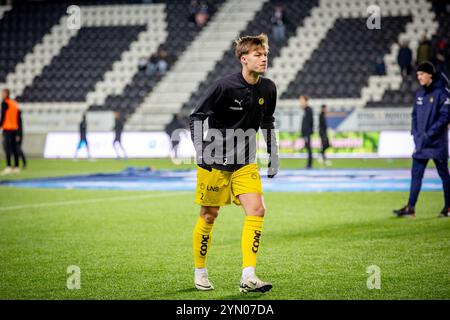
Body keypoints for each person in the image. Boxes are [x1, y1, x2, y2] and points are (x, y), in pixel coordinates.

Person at [189, 34, 278, 293]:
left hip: (245, 163)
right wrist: (200, 152)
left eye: (265, 55)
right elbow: (196, 117)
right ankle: (200, 271)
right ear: (244, 58)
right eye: (258, 55)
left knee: (257, 210)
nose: (263, 59)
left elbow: (267, 122)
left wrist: (274, 154)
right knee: (209, 215)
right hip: (215, 162)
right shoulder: (224, 87)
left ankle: (248, 276)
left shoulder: (269, 88)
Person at [393, 61, 450, 218]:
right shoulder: (419, 94)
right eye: (417, 75)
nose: (419, 77)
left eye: (421, 74)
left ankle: (448, 207)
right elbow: (414, 115)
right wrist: (415, 133)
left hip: (437, 144)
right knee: (416, 175)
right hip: (421, 144)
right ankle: (410, 207)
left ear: (430, 75)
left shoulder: (443, 93)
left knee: (444, 175)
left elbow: (445, 117)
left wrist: (429, 134)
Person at [1, 88, 21, 174]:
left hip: (7, 128)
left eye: (2, 93)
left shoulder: (5, 103)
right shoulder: (14, 103)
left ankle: (8, 166)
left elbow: (3, 116)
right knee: (15, 148)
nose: (1, 95)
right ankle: (16, 166)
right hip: (15, 128)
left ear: (6, 94)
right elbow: (18, 118)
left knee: (7, 148)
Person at [299, 95, 313, 169]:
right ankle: (309, 164)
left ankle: (309, 164)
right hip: (305, 133)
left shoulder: (308, 110)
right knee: (307, 147)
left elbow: (310, 122)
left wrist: (308, 132)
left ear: (305, 101)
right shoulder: (305, 110)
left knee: (308, 147)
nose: (300, 102)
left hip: (307, 133)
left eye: (301, 100)